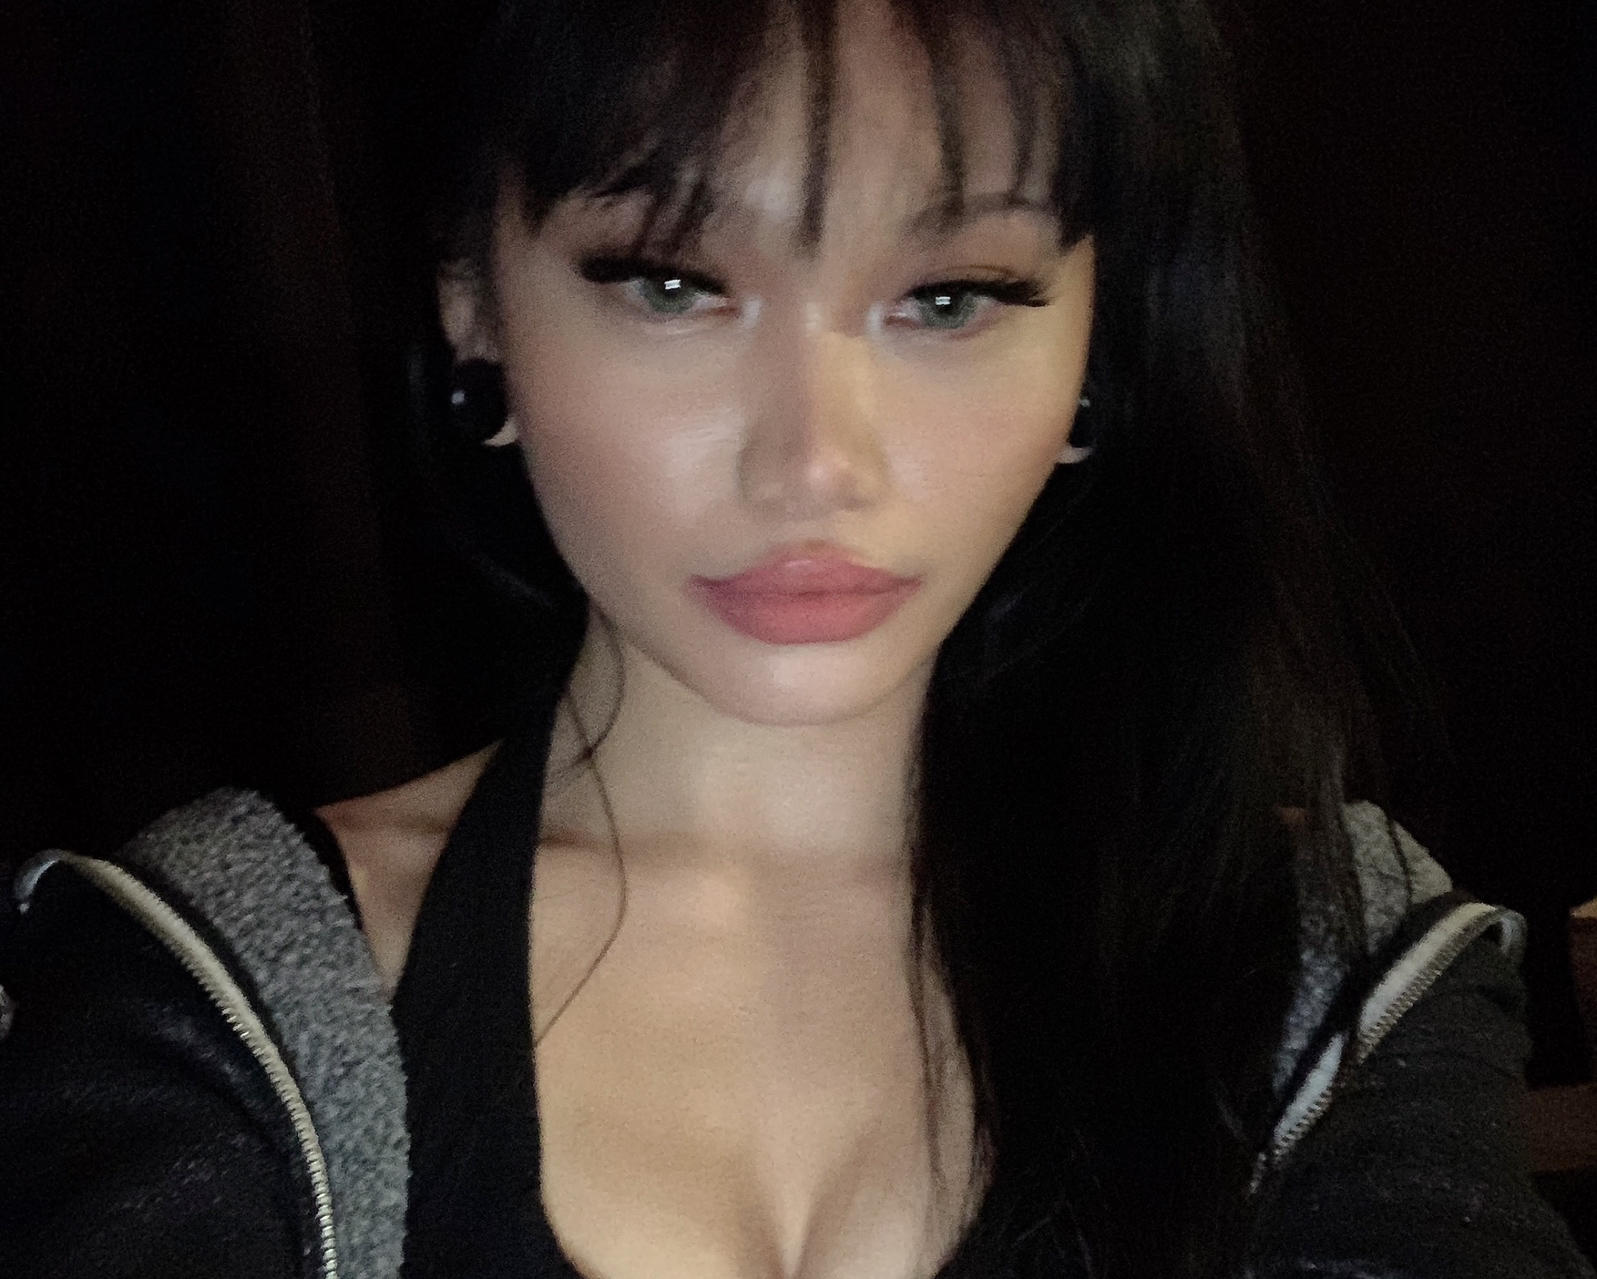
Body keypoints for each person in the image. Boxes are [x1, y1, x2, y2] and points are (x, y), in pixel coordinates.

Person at [1, 1, 1591, 1277]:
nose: (816, 464)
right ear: (474, 301)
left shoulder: (1324, 977)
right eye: (672, 283)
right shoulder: (210, 1000)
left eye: (951, 297)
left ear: (1099, 346)